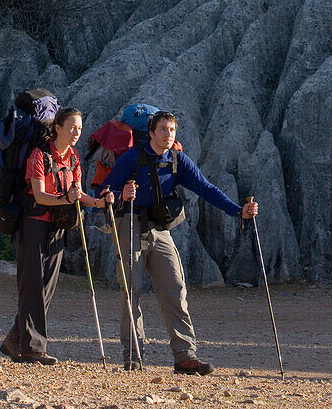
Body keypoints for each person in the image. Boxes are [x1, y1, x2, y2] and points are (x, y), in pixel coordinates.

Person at [98, 109, 258, 375]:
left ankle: (185, 356)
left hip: (160, 230)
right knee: (132, 291)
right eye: (162, 130)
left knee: (175, 287)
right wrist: (120, 193)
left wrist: (237, 210)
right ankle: (133, 357)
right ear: (151, 133)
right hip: (130, 223)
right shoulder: (132, 158)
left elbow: (206, 189)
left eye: (172, 130)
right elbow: (103, 191)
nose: (168, 135)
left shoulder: (177, 160)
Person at [2, 106, 114, 364]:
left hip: (57, 225)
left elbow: (79, 193)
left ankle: (14, 340)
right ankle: (34, 349)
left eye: (80, 128)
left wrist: (99, 202)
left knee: (46, 288)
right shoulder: (38, 155)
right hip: (33, 223)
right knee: (32, 284)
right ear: (57, 128)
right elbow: (40, 194)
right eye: (72, 127)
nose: (76, 132)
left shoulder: (73, 157)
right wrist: (66, 198)